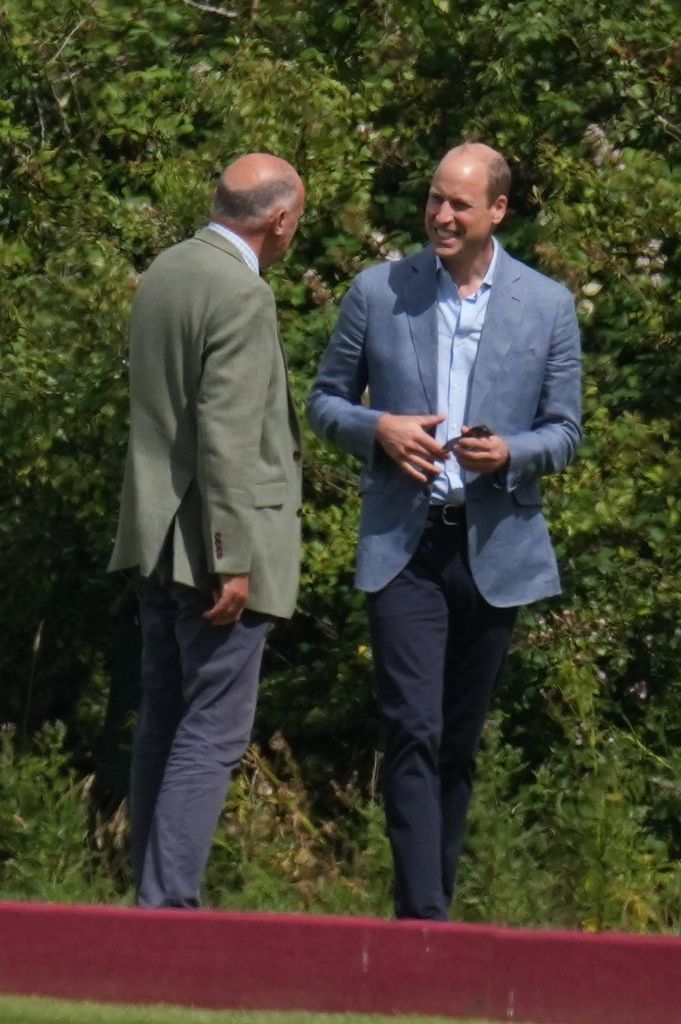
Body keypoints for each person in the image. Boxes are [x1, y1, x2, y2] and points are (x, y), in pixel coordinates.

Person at [307, 143, 581, 921]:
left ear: (498, 211)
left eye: (459, 204)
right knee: (412, 728)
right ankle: (419, 921)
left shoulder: (547, 303)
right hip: (406, 545)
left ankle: (437, 917)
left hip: (495, 549)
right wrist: (380, 429)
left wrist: (511, 453)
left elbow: (564, 432)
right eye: (434, 199)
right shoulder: (377, 291)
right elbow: (324, 403)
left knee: (458, 740)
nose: (441, 215)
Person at [109, 153, 306, 908]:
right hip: (211, 548)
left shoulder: (166, 270)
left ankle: (148, 899)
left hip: (156, 539)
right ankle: (168, 907)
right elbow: (226, 433)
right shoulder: (241, 294)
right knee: (214, 729)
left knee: (163, 715)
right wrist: (234, 555)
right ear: (278, 220)